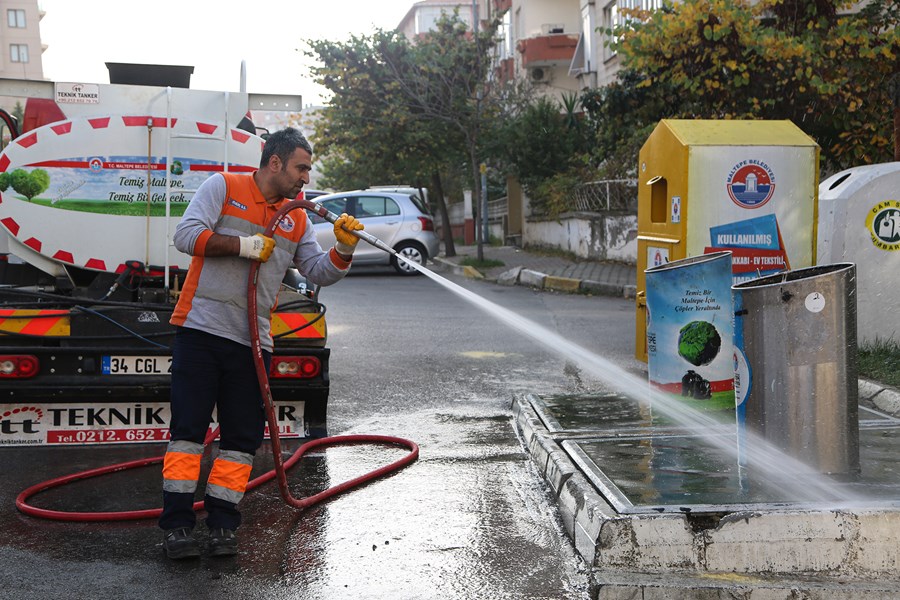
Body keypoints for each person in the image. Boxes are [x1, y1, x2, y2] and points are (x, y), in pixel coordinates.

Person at [158, 127, 363, 559]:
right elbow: (185, 236)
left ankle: (222, 527)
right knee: (188, 435)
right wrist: (242, 246)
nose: (306, 178)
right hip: (200, 332)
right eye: (301, 168)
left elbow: (317, 271)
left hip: (252, 343)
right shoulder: (224, 187)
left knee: (240, 441)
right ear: (275, 162)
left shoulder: (298, 216)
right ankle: (177, 528)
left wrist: (343, 250)